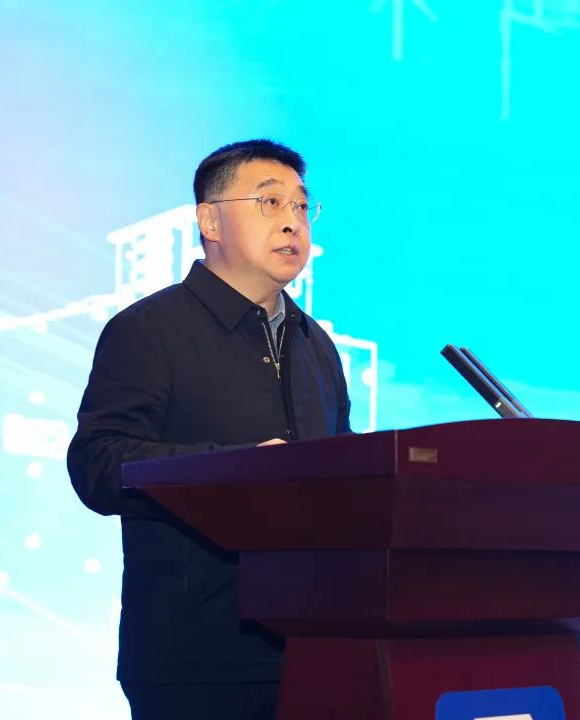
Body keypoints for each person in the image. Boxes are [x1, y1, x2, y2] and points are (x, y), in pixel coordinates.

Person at [67, 139, 352, 720]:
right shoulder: (150, 329)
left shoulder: (315, 343)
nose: (292, 222)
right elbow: (97, 464)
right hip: (195, 659)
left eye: (302, 206)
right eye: (270, 202)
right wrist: (237, 471)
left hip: (315, 649)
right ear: (209, 220)